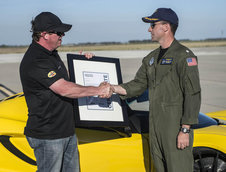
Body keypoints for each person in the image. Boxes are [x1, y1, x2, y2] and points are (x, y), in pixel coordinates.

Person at [109, 8, 201, 172]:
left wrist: (185, 129)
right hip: (155, 126)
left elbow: (193, 94)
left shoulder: (184, 56)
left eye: (153, 25)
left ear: (166, 27)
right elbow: (137, 84)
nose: (149, 29)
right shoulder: (150, 58)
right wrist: (113, 88)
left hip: (175, 127)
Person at [19, 12, 110, 172]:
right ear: (44, 35)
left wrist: (84, 64)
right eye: (58, 32)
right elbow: (64, 89)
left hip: (65, 130)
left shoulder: (51, 54)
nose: (63, 35)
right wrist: (99, 90)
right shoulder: (36, 59)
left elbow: (64, 79)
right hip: (48, 134)